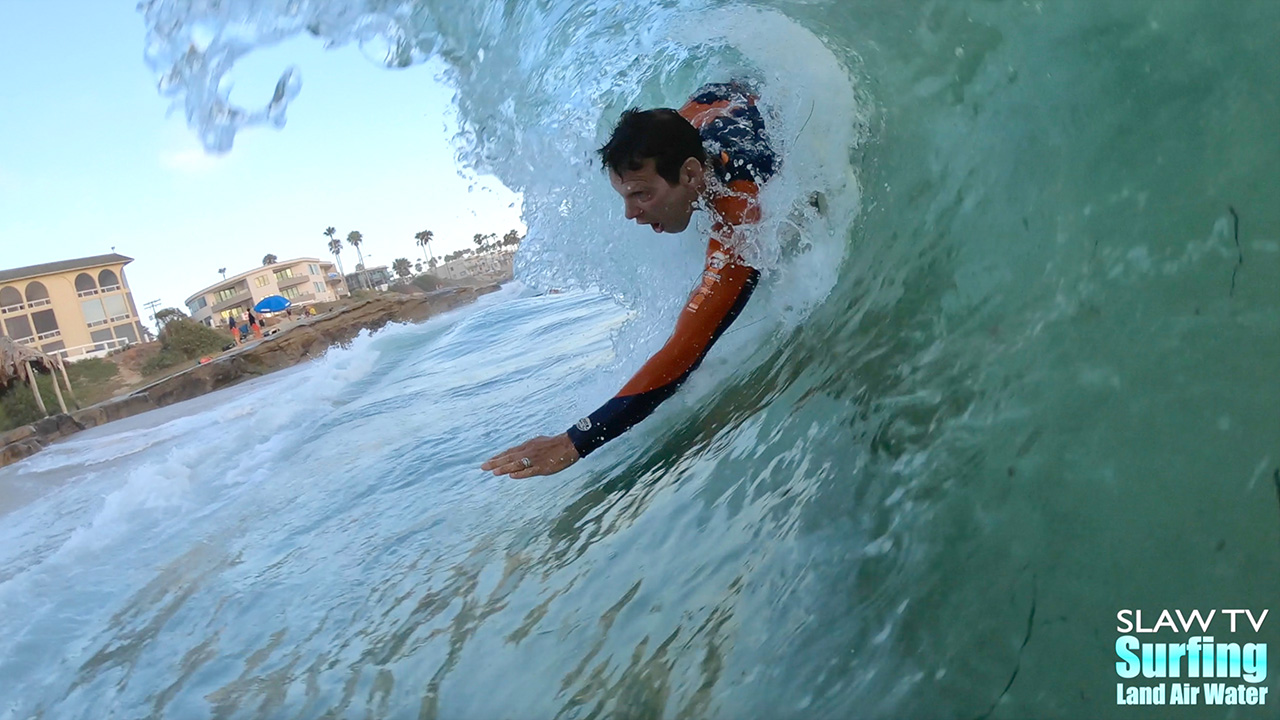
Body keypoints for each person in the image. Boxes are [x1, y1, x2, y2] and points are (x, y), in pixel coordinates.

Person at [483, 81, 777, 479]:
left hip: (750, 105)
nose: (630, 214)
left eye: (640, 195)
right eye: (624, 196)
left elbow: (684, 350)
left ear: (691, 175)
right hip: (712, 102)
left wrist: (573, 441)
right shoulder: (676, 150)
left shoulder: (738, 209)